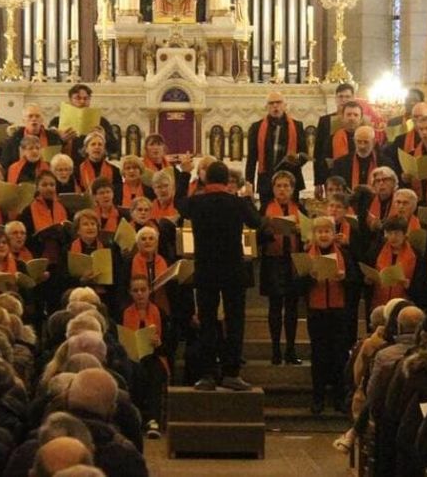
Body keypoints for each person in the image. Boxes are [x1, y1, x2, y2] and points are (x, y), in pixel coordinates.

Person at [179, 161, 263, 391]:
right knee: (235, 322)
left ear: (206, 180)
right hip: (233, 270)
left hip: (206, 270)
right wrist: (248, 199)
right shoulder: (237, 203)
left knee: (207, 322)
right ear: (227, 181)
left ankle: (207, 375)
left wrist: (185, 176)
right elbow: (258, 223)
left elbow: (180, 206)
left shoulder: (197, 202)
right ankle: (231, 373)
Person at [258, 171, 305, 366]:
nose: (282, 190)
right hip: (273, 261)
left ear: (293, 189)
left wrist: (301, 232)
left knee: (292, 308)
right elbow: (256, 236)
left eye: (286, 186)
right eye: (279, 186)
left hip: (294, 261)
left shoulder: (300, 209)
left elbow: (309, 236)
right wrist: (267, 232)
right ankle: (276, 350)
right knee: (275, 307)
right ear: (273, 188)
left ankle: (291, 350)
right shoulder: (265, 208)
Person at [303, 216, 347, 414]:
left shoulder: (344, 254)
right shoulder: (306, 256)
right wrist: (309, 278)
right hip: (316, 312)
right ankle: (318, 398)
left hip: (338, 312)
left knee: (339, 355)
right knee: (318, 355)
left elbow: (355, 282)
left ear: (333, 234)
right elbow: (296, 287)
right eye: (319, 232)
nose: (323, 235)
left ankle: (339, 398)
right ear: (314, 235)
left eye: (327, 231)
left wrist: (344, 278)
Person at [121, 274, 168, 439]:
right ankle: (135, 418)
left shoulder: (159, 312)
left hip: (154, 356)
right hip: (132, 358)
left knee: (155, 372)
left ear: (149, 291)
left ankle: (153, 420)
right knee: (136, 371)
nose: (140, 294)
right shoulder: (124, 313)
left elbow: (169, 346)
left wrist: (159, 343)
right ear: (130, 293)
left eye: (143, 290)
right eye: (136, 291)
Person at [245, 91, 307, 201]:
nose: (275, 106)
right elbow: (251, 159)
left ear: (285, 105)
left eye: (278, 102)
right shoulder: (256, 127)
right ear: (267, 107)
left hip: (290, 180)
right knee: (267, 216)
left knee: (290, 215)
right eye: (271, 103)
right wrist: (249, 184)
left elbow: (304, 153)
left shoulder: (297, 126)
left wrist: (295, 161)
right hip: (266, 181)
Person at [50, 85, 120, 158]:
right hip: (66, 165)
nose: (82, 101)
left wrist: (104, 136)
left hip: (93, 164)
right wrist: (61, 139)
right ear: (70, 100)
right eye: (78, 98)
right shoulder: (57, 121)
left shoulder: (101, 121)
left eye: (86, 98)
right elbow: (48, 148)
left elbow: (114, 149)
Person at [313, 84, 357, 197]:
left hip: (354, 170)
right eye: (341, 97)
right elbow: (318, 151)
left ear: (353, 98)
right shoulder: (325, 121)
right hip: (330, 172)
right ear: (336, 99)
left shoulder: (360, 120)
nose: (344, 100)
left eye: (347, 97)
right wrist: (318, 181)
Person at [1, 103, 63, 168]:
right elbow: (5, 165)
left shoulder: (53, 138)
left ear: (42, 120)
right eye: (30, 116)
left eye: (37, 116)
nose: (34, 119)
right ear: (23, 120)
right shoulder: (13, 140)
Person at [317, 100, 364, 182]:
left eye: (356, 115)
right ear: (342, 117)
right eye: (348, 114)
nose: (352, 118)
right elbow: (324, 164)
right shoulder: (332, 138)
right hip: (338, 182)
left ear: (361, 119)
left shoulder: (369, 139)